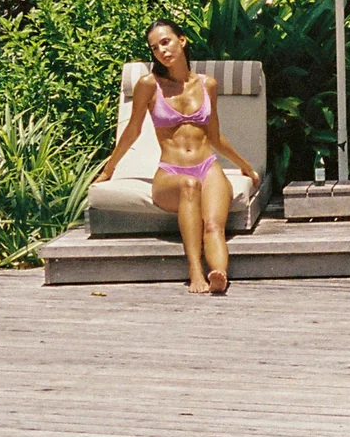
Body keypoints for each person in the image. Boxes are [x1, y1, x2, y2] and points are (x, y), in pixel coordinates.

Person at [98, 20, 258, 295]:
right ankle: (195, 270)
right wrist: (109, 169)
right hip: (171, 173)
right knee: (189, 185)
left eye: (166, 42)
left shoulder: (208, 84)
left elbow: (215, 136)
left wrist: (245, 166)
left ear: (181, 41)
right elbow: (132, 130)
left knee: (214, 225)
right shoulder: (149, 85)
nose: (161, 50)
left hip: (208, 165)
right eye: (154, 48)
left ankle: (219, 274)